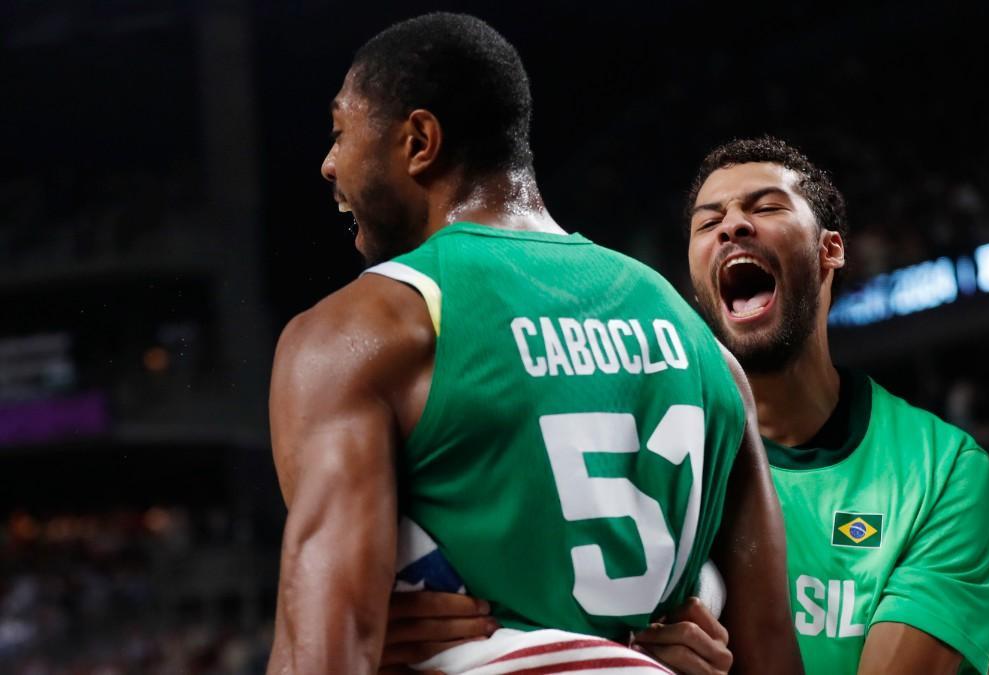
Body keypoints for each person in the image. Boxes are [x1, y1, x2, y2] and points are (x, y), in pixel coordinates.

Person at [265, 14, 800, 675]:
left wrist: (372, 644)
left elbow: (320, 655)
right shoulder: (705, 349)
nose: (327, 163)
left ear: (420, 141)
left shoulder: (362, 332)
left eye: (341, 132)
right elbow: (773, 650)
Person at [385, 137, 989, 674]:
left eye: (766, 207)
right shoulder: (625, 452)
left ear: (830, 249)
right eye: (709, 223)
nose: (733, 225)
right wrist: (412, 642)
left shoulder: (941, 469)